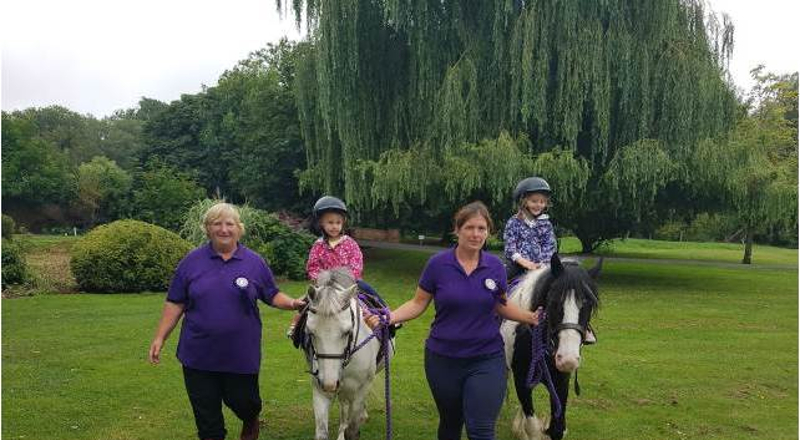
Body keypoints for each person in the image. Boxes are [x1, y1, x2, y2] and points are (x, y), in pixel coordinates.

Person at [367, 201, 541, 440]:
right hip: (443, 360)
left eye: (481, 228)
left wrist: (530, 317)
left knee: (481, 430)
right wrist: (389, 317)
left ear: (488, 232)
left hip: (486, 358)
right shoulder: (438, 265)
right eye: (469, 227)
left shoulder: (495, 267)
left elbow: (501, 305)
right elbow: (418, 303)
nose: (476, 234)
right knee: (450, 424)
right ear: (457, 230)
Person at [148, 202, 306, 440]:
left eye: (229, 224)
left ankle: (250, 419)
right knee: (207, 419)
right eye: (217, 224)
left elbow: (271, 294)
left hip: (241, 353)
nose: (223, 229)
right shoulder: (191, 262)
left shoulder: (253, 262)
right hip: (198, 354)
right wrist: (160, 337)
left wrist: (293, 303)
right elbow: (175, 302)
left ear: (239, 229)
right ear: (207, 228)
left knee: (245, 403)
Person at [287, 196, 382, 338]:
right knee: (306, 302)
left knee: (368, 292)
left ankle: (385, 314)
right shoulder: (318, 246)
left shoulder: (350, 243)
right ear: (321, 223)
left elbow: (356, 264)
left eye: (338, 222)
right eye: (330, 222)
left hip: (348, 284)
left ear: (343, 223)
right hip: (325, 285)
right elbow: (312, 266)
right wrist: (320, 279)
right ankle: (297, 324)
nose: (334, 226)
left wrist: (348, 279)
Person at [503, 176, 557, 280]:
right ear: (523, 202)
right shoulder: (514, 222)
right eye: (534, 201)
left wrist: (542, 264)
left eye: (542, 202)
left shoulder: (546, 224)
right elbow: (510, 247)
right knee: (500, 278)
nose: (538, 205)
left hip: (540, 266)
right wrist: (524, 262)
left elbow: (549, 246)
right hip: (517, 264)